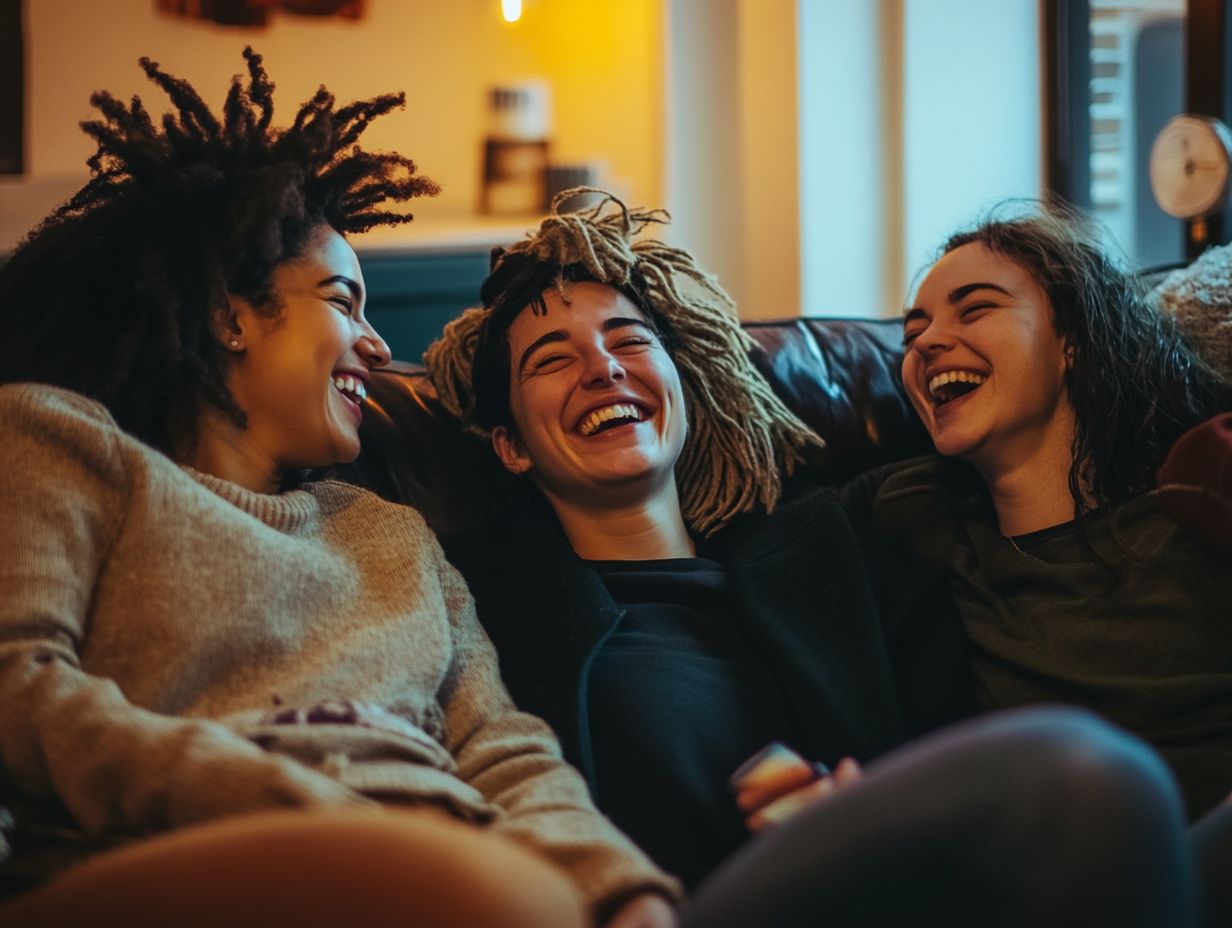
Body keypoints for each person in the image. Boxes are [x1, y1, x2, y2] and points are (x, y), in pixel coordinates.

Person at [0, 52, 679, 928]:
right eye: (342, 301)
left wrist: (623, 892)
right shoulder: (63, 444)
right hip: (173, 861)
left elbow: (504, 753)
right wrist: (272, 791)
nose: (373, 343)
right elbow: (16, 682)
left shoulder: (392, 533)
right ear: (229, 315)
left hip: (446, 864)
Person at [423, 191, 1199, 926]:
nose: (604, 367)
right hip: (684, 907)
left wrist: (868, 803)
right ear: (512, 446)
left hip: (903, 889)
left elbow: (951, 757)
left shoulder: (842, 550)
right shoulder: (478, 602)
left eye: (629, 341)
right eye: (552, 360)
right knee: (1090, 772)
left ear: (688, 391)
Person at [860, 206, 1232, 924]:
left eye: (976, 308)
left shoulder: (1197, 499)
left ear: (1074, 342)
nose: (930, 342)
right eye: (913, 335)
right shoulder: (915, 523)